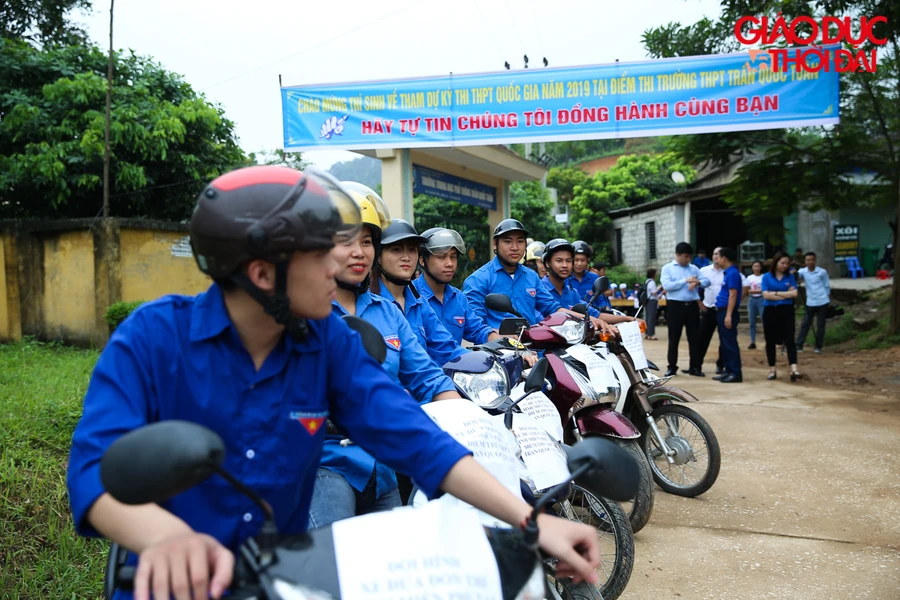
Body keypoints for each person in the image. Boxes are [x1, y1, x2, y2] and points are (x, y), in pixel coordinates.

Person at [66, 167, 601, 600]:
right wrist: (164, 536)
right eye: (321, 252)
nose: (342, 264)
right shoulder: (154, 338)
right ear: (261, 272)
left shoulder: (328, 341)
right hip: (168, 584)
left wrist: (530, 520)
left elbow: (412, 435)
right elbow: (93, 471)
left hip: (286, 578)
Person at [314, 182, 463, 526]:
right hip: (327, 465)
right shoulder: (306, 312)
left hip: (382, 469)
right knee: (334, 570)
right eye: (346, 240)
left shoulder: (387, 311)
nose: (359, 252)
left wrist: (471, 423)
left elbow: (427, 376)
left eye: (367, 242)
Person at [372, 219, 466, 368]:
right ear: (378, 255)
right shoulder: (369, 304)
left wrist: (485, 361)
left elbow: (446, 348)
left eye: (412, 250)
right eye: (396, 249)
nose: (406, 257)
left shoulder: (419, 303)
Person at [463, 219, 564, 329]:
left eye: (520, 241)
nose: (515, 248)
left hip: (532, 344)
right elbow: (474, 324)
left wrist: (582, 318)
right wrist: (496, 335)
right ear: (495, 244)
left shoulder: (531, 276)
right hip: (497, 345)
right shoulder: (478, 279)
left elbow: (551, 307)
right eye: (508, 241)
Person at [413, 227, 501, 346]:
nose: (449, 263)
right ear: (422, 261)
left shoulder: (458, 298)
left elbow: (479, 330)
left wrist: (508, 343)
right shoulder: (410, 295)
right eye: (441, 257)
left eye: (453, 257)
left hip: (456, 363)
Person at [660, 242, 710, 377]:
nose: (687, 259)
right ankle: (671, 367)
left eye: (689, 257)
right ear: (677, 255)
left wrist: (698, 282)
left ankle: (695, 366)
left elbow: (707, 281)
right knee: (674, 337)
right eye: (685, 256)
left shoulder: (693, 268)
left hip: (691, 306)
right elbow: (667, 285)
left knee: (694, 338)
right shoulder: (668, 268)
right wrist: (685, 280)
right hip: (675, 306)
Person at [762, 251, 803, 381]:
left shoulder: (789, 277)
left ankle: (794, 368)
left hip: (786, 310)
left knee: (790, 339)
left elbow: (795, 294)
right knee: (770, 340)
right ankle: (772, 369)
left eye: (787, 263)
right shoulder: (766, 277)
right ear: (776, 262)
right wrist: (785, 293)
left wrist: (775, 293)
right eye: (782, 263)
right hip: (770, 310)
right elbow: (765, 295)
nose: (784, 266)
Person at [713, 247, 743, 383]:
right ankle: (728, 370)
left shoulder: (732, 273)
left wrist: (728, 315)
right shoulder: (728, 273)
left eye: (718, 257)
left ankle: (735, 372)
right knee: (725, 343)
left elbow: (733, 295)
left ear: (724, 258)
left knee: (730, 343)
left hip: (727, 311)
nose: (717, 260)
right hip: (722, 310)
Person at [795, 251, 831, 354]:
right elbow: (797, 277)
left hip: (822, 300)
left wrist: (828, 298)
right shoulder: (803, 271)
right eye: (808, 260)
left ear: (815, 260)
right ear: (805, 261)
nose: (810, 262)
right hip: (810, 301)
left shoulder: (822, 272)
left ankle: (818, 346)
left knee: (821, 324)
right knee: (806, 323)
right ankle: (799, 344)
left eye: (812, 260)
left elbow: (826, 285)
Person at [697, 247, 725, 377]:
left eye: (719, 254)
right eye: (714, 254)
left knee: (724, 340)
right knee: (703, 338)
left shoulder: (728, 271)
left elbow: (742, 286)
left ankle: (721, 365)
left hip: (722, 310)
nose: (716, 256)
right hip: (708, 310)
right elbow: (695, 287)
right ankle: (697, 365)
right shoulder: (704, 271)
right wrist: (700, 303)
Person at [745, 260, 765, 349]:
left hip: (761, 299)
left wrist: (753, 291)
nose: (756, 268)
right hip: (752, 299)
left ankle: (768, 339)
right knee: (751, 321)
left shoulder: (764, 277)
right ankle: (752, 341)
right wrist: (756, 291)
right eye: (755, 266)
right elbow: (746, 290)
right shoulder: (749, 278)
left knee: (764, 320)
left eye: (758, 266)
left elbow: (764, 289)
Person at [644, 268, 659, 340]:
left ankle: (647, 333)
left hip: (647, 300)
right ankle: (651, 334)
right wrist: (659, 287)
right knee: (651, 318)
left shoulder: (647, 281)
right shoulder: (652, 282)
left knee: (648, 317)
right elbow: (654, 292)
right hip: (652, 301)